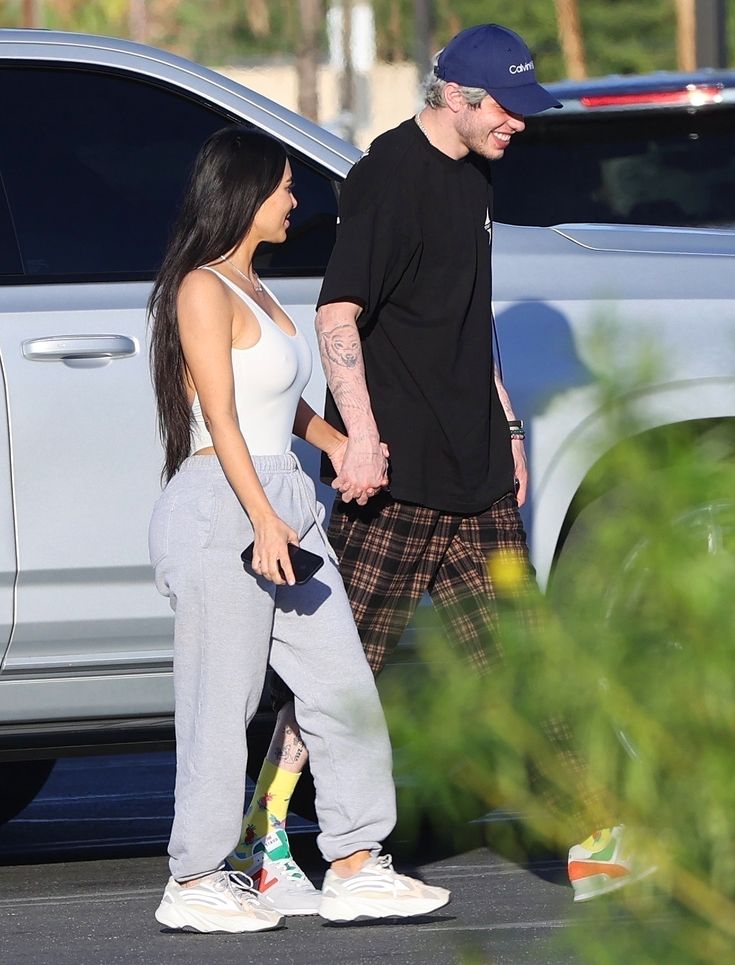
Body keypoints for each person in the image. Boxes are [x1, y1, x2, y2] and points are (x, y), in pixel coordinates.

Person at [230, 24, 646, 904]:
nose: (519, 126)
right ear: (454, 95)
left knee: (526, 660)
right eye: (506, 108)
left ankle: (599, 843)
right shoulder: (387, 175)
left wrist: (509, 428)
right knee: (338, 672)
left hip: (478, 475)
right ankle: (261, 839)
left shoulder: (474, 170)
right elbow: (337, 315)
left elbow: (468, 311)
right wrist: (362, 437)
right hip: (398, 480)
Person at [147, 126, 450, 932]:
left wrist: (337, 443)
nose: (294, 199)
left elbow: (280, 404)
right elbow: (219, 413)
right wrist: (263, 516)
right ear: (244, 194)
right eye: (284, 186)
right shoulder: (201, 288)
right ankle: (196, 878)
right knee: (223, 700)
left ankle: (354, 862)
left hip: (279, 491)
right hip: (227, 503)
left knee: (341, 685)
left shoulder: (258, 289)